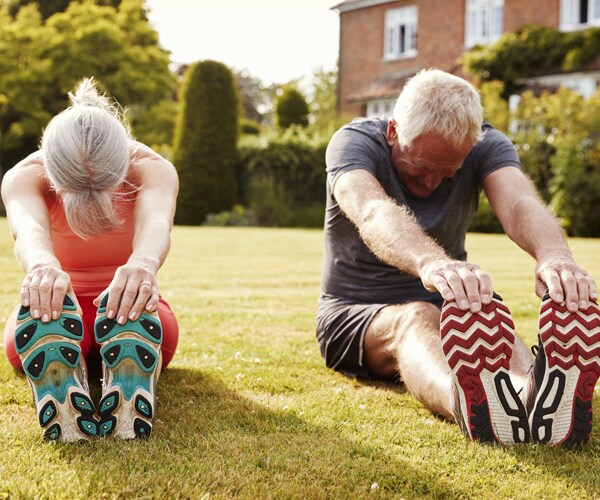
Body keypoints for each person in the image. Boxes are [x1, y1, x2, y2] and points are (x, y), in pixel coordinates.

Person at [316, 68, 599, 447]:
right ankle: (470, 406)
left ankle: (529, 395)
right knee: (418, 316)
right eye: (421, 167)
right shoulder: (353, 142)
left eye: (448, 173)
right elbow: (371, 210)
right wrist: (430, 263)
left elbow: (518, 202)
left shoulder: (485, 145)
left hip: (450, 302)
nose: (431, 182)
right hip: (354, 313)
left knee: (484, 309)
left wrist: (554, 256)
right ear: (393, 132)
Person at [2, 78, 179, 442]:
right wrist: (42, 266)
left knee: (26, 333)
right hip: (103, 306)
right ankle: (123, 369)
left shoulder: (151, 168)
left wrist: (143, 264)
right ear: (50, 172)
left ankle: (77, 371)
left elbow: (156, 222)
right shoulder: (24, 176)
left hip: (100, 301)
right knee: (153, 324)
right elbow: (28, 228)